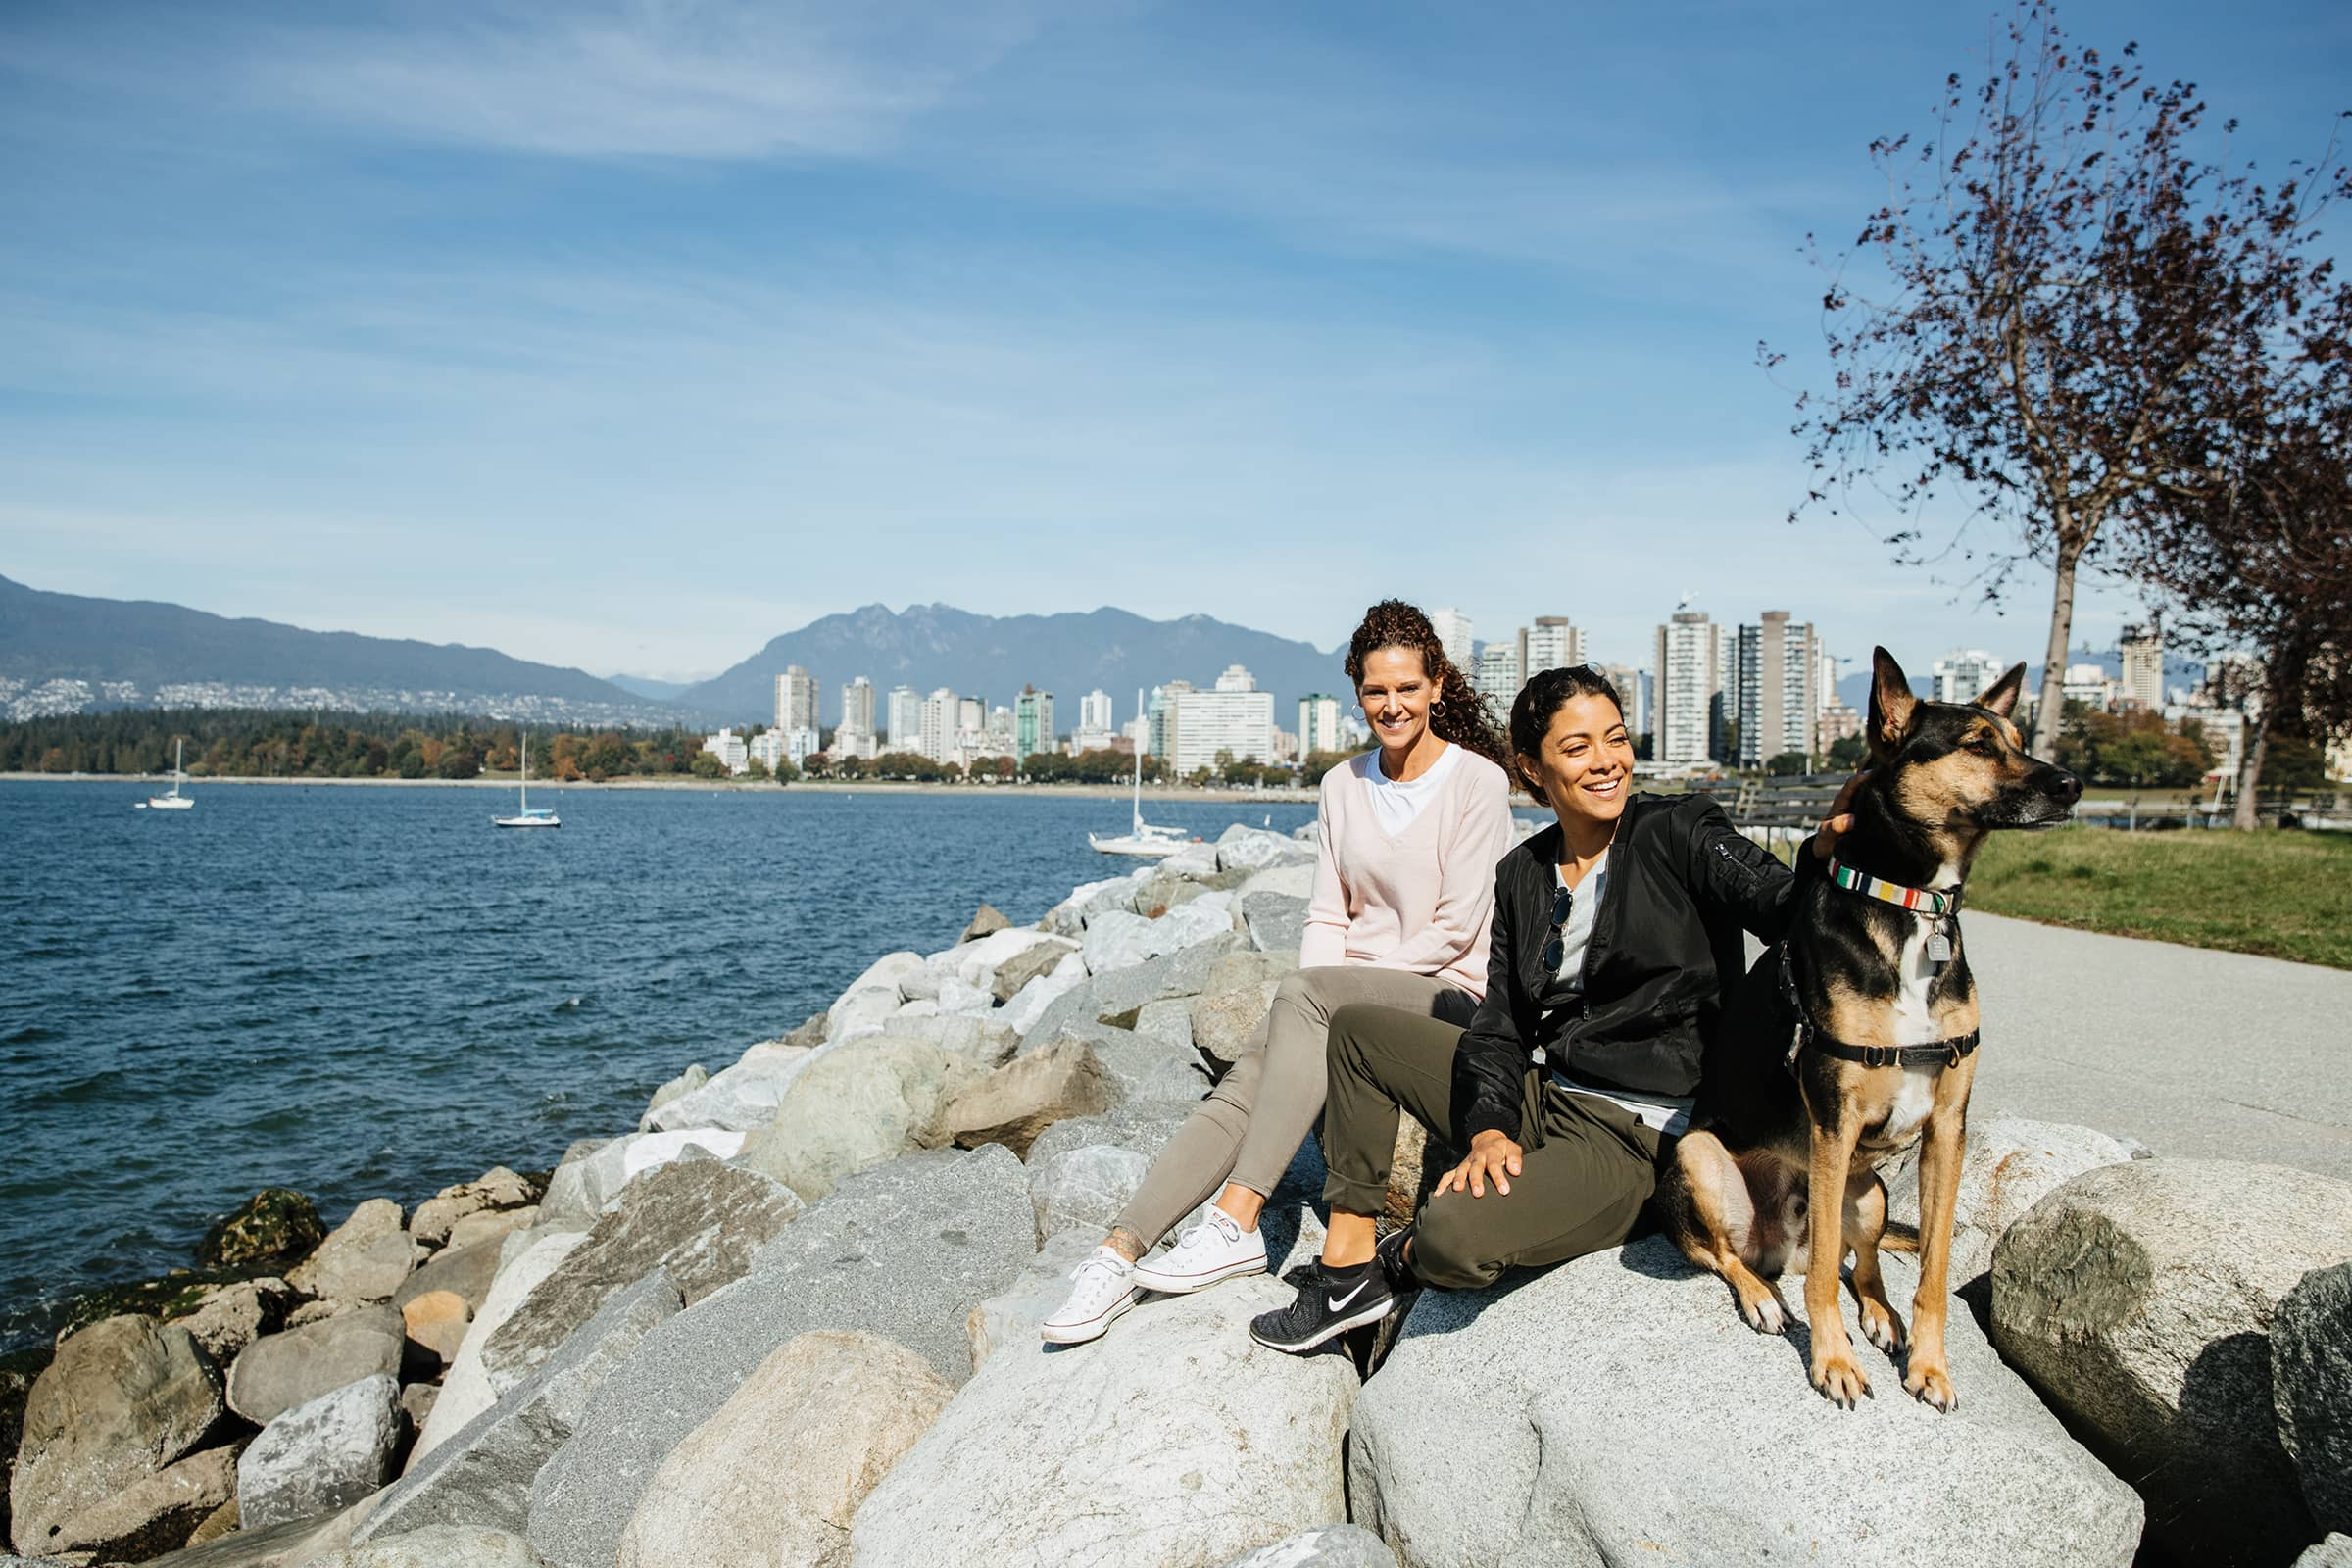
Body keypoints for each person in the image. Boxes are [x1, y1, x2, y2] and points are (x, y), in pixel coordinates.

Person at [1250, 664, 1853, 1353]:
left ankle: (1399, 1261)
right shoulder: (1523, 874)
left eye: (1616, 739)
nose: (1606, 762)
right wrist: (1489, 1129)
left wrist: (1825, 859)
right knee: (1358, 1032)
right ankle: (1348, 1267)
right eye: (1578, 748)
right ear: (1533, 769)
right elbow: (1499, 1025)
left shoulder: (1681, 831)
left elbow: (1782, 905)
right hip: (1548, 1094)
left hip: (1638, 1134)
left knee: (1452, 1235)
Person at [1043, 600, 1516, 1345]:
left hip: (1447, 992)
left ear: (1436, 688)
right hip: (1346, 994)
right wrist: (1325, 996)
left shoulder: (1477, 783)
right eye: (1374, 691)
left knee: (1301, 1002)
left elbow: (1457, 928)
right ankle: (1117, 1251)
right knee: (1247, 1081)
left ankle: (1236, 1218)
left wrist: (1330, 996)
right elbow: (1327, 914)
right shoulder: (1341, 786)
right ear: (1356, 693)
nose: (1391, 706)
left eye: (1406, 689)